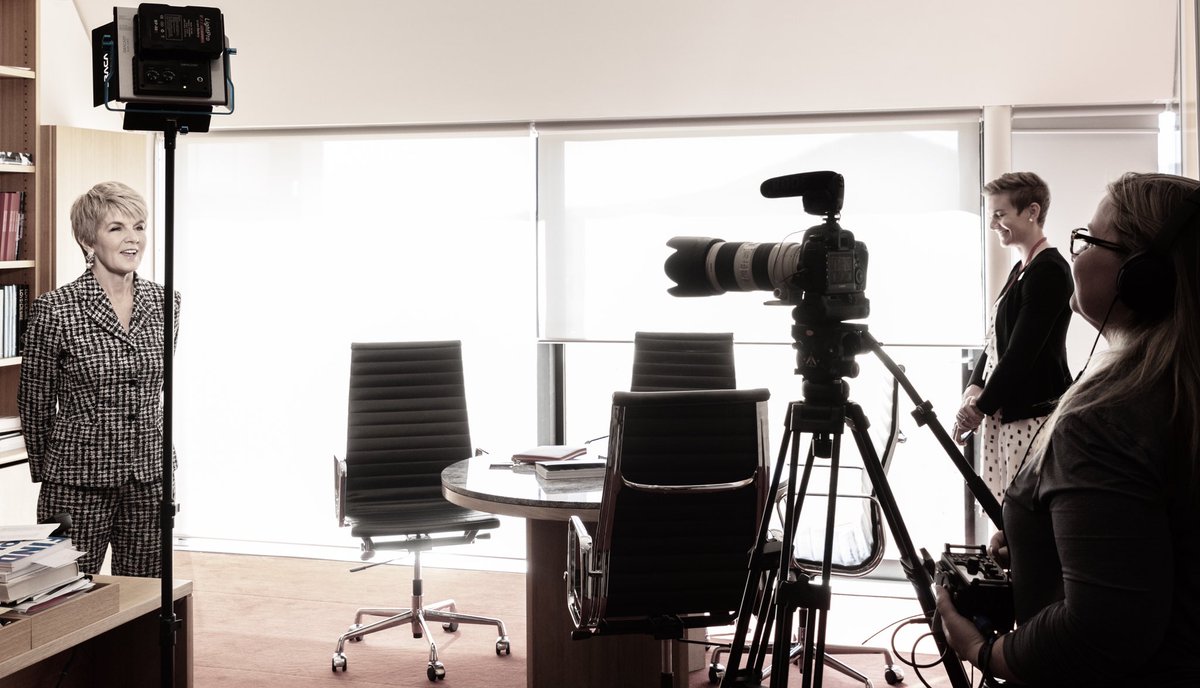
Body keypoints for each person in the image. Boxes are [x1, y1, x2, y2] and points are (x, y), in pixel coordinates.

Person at [935, 172, 1200, 686]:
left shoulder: (1103, 422)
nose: (1076, 254)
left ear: (1142, 277)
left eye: (1089, 239)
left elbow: (1100, 631)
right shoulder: (1170, 397)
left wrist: (988, 652)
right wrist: (1049, 541)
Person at [17, 181, 180, 577]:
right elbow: (34, 405)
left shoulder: (166, 302)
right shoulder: (55, 309)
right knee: (61, 594)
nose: (132, 239)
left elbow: (156, 387)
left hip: (149, 475)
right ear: (88, 239)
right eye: (117, 228)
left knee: (145, 598)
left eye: (139, 227)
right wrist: (50, 471)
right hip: (76, 480)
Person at [953, 172, 1074, 504]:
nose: (993, 224)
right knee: (1006, 514)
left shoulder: (1049, 270)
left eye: (1000, 214)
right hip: (1007, 412)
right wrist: (974, 388)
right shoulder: (1022, 268)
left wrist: (980, 408)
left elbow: (1021, 353)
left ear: (1031, 211)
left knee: (1023, 514)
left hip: (1030, 415)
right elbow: (995, 342)